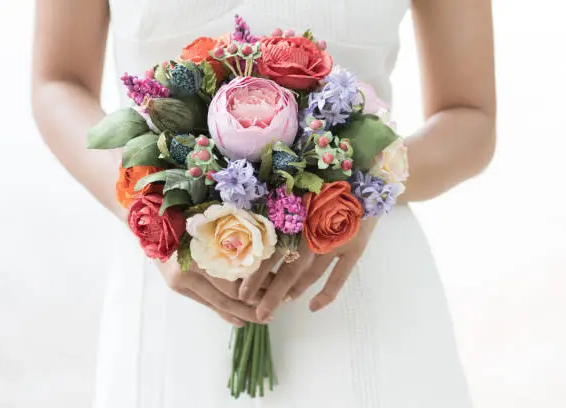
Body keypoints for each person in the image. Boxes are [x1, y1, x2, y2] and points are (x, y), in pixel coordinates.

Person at [32, 0, 495, 407]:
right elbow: (58, 81)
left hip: (357, 282)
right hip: (173, 289)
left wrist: (358, 192)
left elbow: (470, 117)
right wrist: (148, 203)